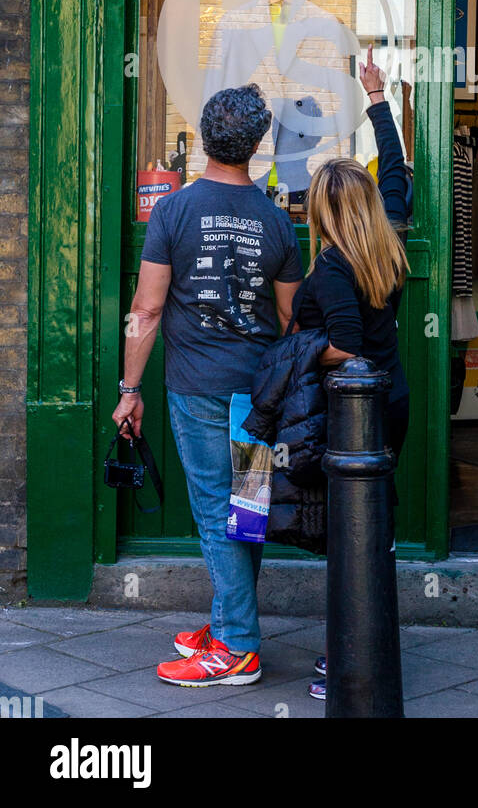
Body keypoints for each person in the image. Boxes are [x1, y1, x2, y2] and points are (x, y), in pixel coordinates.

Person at [112, 83, 303, 688]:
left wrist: (130, 388)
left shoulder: (173, 211)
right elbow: (291, 323)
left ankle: (237, 647)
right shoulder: (277, 222)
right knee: (244, 514)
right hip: (259, 396)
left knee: (216, 511)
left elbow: (144, 311)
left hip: (197, 390)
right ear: (256, 144)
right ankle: (228, 620)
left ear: (205, 136)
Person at [276, 46, 411, 699]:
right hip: (395, 401)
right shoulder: (388, 234)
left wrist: (299, 345)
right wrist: (378, 102)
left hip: (353, 417)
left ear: (328, 214)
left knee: (348, 536)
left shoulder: (332, 268)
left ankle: (347, 663)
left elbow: (347, 350)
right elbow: (398, 180)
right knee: (373, 528)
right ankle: (369, 650)